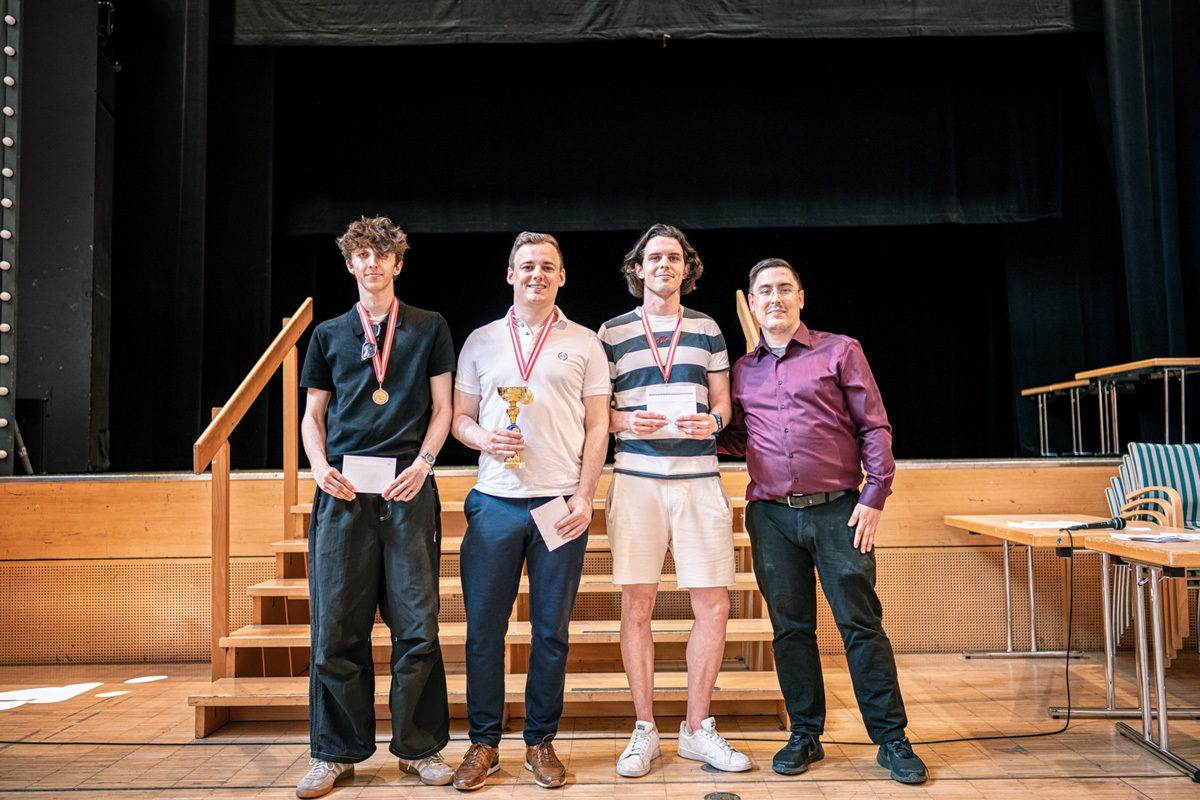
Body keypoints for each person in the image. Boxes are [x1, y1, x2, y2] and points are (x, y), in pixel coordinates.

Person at [717, 258, 927, 784]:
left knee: (861, 626)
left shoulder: (840, 350)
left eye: (784, 288)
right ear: (752, 303)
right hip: (771, 518)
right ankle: (805, 735)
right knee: (791, 630)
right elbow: (742, 439)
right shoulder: (743, 370)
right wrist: (697, 430)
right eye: (765, 291)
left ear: (801, 297)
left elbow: (874, 427)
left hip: (840, 513)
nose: (775, 298)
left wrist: (875, 496)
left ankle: (892, 739)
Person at [297, 216, 456, 797]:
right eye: (361, 255)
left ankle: (420, 749)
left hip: (408, 489)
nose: (372, 263)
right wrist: (318, 467)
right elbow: (313, 416)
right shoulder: (328, 334)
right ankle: (335, 753)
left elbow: (443, 408)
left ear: (398, 263)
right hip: (342, 494)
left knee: (417, 626)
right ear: (349, 264)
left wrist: (425, 464)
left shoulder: (429, 326)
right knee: (337, 628)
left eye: (382, 254)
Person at [450, 232, 610, 791]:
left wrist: (585, 496)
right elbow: (460, 419)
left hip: (558, 505)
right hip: (494, 502)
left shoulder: (586, 342)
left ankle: (540, 740)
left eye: (547, 266)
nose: (536, 274)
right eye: (526, 266)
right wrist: (485, 439)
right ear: (510, 275)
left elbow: (599, 426)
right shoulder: (480, 340)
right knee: (483, 632)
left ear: (561, 276)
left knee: (551, 633)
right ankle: (483, 743)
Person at [598, 223, 750, 777]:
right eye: (654, 257)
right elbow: (595, 412)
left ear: (687, 269)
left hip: (698, 480)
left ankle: (696, 729)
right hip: (636, 480)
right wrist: (623, 421)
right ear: (637, 268)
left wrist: (712, 422)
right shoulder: (611, 332)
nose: (664, 264)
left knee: (714, 606)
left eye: (674, 258)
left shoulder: (707, 328)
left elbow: (724, 404)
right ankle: (645, 729)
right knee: (637, 606)